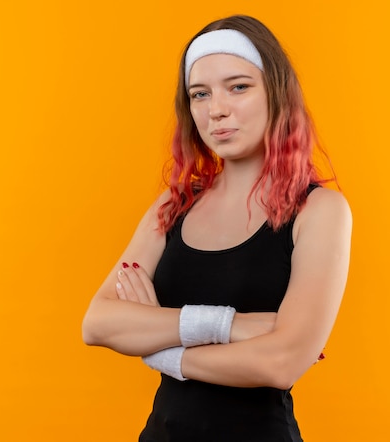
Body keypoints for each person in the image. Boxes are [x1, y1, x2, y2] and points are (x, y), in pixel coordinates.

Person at [82, 14, 352, 441]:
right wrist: (230, 327)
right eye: (200, 94)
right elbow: (98, 322)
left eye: (238, 86)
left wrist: (163, 351)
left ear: (276, 93)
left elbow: (282, 363)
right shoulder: (175, 205)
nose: (217, 109)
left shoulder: (319, 211)